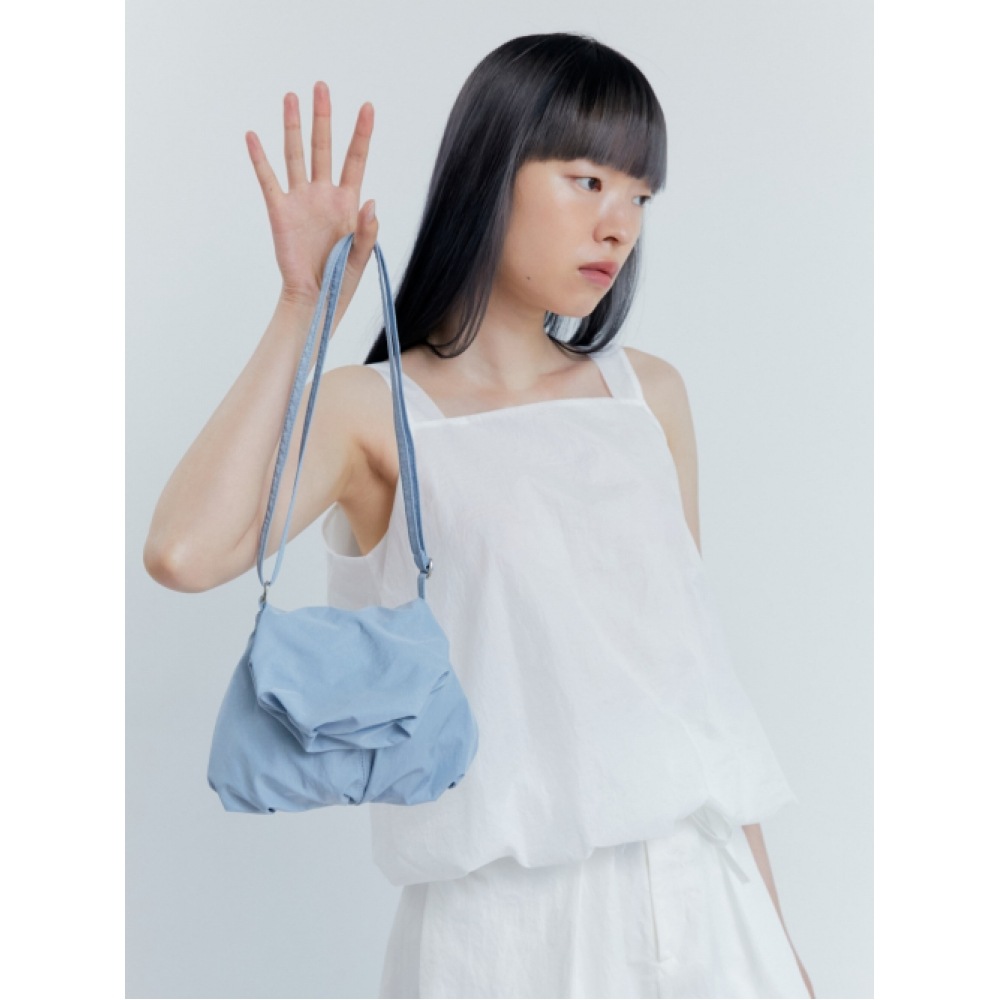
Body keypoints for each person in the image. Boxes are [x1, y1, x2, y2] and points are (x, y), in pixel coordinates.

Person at [145, 32, 816, 1000]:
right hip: (499, 933)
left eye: (639, 196)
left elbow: (700, 688)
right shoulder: (377, 413)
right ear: (491, 173)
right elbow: (184, 551)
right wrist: (302, 303)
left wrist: (782, 952)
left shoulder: (647, 396)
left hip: (706, 901)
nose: (618, 224)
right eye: (587, 180)